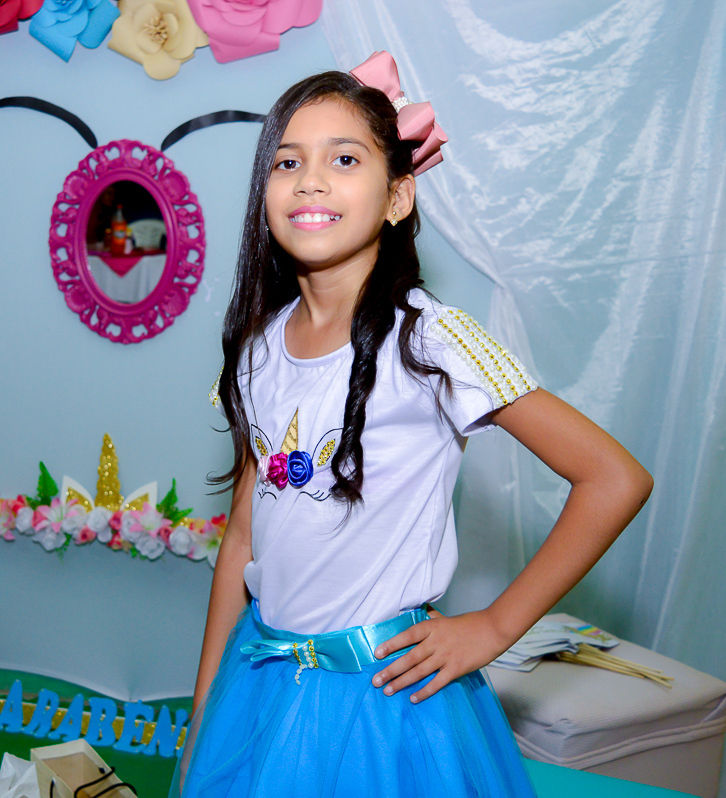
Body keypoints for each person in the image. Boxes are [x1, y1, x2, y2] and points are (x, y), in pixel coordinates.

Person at [170, 52, 654, 798]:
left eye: (344, 159)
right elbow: (242, 537)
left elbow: (614, 478)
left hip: (383, 703)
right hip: (261, 679)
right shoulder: (257, 350)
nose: (311, 180)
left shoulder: (430, 339)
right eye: (288, 161)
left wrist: (494, 627)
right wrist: (207, 705)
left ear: (398, 196)